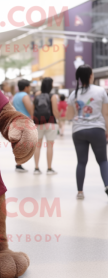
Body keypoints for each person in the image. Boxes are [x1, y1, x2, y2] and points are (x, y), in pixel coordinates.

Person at [66, 64, 108, 199]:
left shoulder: (74, 94)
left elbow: (68, 116)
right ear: (91, 76)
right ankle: (107, 185)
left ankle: (80, 192)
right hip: (97, 129)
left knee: (81, 162)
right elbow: (106, 114)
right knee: (102, 161)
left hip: (78, 131)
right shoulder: (101, 91)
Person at [33, 77, 60, 175]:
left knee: (37, 146)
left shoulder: (37, 94)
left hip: (37, 123)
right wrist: (59, 118)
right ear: (51, 85)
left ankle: (36, 168)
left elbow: (33, 109)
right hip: (50, 123)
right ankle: (49, 169)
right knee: (49, 146)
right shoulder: (53, 96)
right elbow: (55, 112)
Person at [13, 79, 33, 172]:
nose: (30, 88)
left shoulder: (16, 96)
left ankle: (18, 163)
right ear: (26, 87)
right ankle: (19, 165)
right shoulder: (25, 96)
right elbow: (30, 109)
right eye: (29, 87)